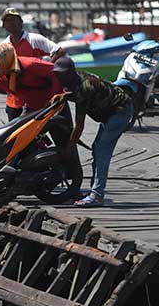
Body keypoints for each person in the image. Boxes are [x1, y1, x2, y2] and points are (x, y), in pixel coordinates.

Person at [52, 56, 133, 207]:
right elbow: (77, 93)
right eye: (56, 74)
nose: (59, 77)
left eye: (61, 74)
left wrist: (69, 148)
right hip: (110, 110)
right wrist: (64, 96)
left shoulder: (84, 88)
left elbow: (79, 126)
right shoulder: (75, 80)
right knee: (97, 149)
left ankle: (97, 195)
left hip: (120, 111)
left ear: (70, 72)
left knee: (102, 150)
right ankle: (95, 191)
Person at [0, 7, 66, 121]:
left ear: (21, 22)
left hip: (40, 97)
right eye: (7, 21)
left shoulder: (34, 39)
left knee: (57, 133)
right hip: (14, 101)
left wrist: (47, 68)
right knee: (17, 137)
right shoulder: (3, 46)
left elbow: (59, 51)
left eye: (14, 20)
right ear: (4, 26)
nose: (11, 23)